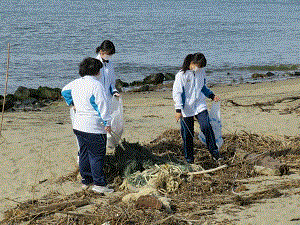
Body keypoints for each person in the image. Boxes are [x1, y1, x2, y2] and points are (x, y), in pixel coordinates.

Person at [61, 57, 114, 194]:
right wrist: (107, 122)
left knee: (84, 153)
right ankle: (99, 184)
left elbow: (64, 91)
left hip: (78, 126)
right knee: (96, 156)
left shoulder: (76, 82)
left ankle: (86, 180)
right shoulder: (96, 85)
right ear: (96, 71)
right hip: (93, 127)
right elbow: (102, 106)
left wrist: (71, 104)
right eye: (100, 70)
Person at [172, 53, 221, 164]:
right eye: (199, 65)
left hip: (199, 104)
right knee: (188, 134)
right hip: (186, 108)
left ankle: (215, 153)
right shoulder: (181, 75)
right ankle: (189, 159)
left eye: (202, 66)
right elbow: (177, 93)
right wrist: (178, 110)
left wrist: (212, 96)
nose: (200, 68)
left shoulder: (201, 71)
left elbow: (203, 87)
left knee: (206, 127)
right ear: (192, 63)